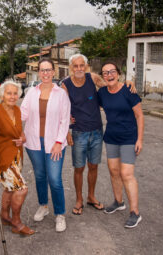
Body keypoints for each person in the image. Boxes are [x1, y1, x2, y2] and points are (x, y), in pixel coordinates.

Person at [61, 54, 137, 215]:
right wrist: (66, 129)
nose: (79, 69)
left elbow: (111, 87)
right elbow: (61, 109)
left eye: (82, 65)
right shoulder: (65, 85)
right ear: (71, 68)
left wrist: (127, 83)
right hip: (78, 132)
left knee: (93, 166)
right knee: (79, 168)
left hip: (96, 131)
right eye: (76, 66)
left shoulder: (93, 77)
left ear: (86, 66)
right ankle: (79, 200)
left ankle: (91, 197)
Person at [21, 58, 71, 232]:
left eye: (48, 70)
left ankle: (60, 214)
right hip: (33, 142)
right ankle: (43, 206)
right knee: (40, 176)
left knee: (55, 179)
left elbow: (65, 121)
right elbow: (22, 114)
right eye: (42, 70)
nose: (45, 73)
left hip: (54, 143)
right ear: (38, 72)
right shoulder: (31, 92)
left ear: (54, 72)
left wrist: (58, 142)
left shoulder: (61, 94)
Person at [0, 80, 35, 236]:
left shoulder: (17, 110)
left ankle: (4, 216)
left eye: (15, 93)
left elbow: (19, 131)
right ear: (1, 95)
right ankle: (16, 223)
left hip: (17, 155)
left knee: (9, 188)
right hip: (4, 156)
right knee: (21, 189)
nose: (12, 96)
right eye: (8, 93)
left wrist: (23, 138)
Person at [98, 62, 144, 228]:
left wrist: (139, 139)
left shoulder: (128, 91)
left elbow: (139, 116)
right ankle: (118, 202)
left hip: (128, 138)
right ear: (103, 76)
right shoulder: (102, 92)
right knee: (114, 171)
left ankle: (135, 213)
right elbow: (89, 105)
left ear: (118, 73)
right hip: (111, 137)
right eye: (105, 73)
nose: (109, 75)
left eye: (112, 72)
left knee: (126, 174)